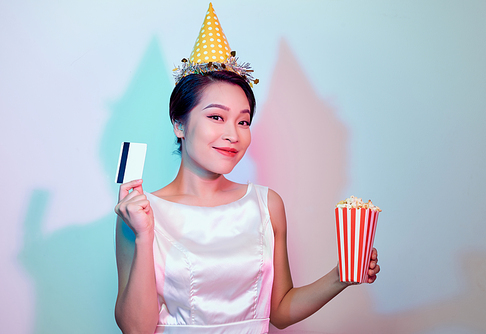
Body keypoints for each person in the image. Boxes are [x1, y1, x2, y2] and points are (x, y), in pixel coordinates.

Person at [114, 4, 380, 334]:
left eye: (243, 121)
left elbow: (279, 311)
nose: (233, 134)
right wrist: (142, 235)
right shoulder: (138, 211)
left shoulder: (267, 205)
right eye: (216, 117)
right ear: (179, 124)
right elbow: (136, 330)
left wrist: (341, 276)